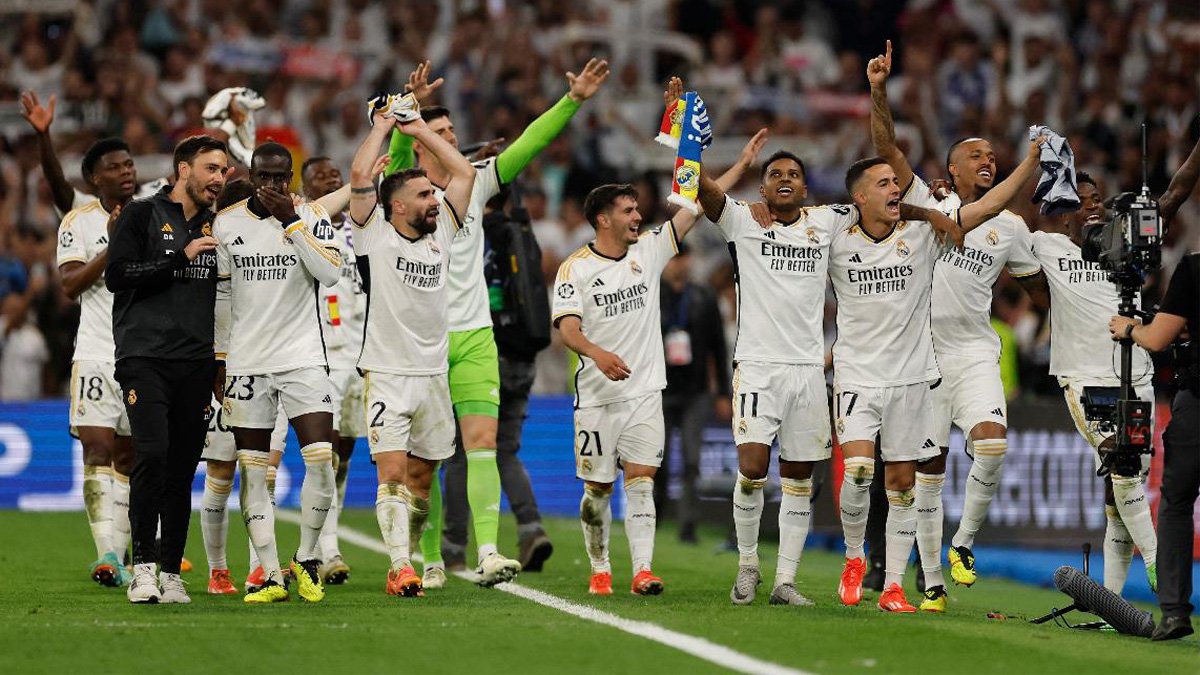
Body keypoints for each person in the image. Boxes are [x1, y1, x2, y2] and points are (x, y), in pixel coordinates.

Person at [387, 58, 610, 587]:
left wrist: (572, 100)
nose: (449, 138)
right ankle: (434, 558)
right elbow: (396, 158)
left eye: (451, 131)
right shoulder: (407, 196)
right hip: (421, 343)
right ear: (420, 142)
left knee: (482, 443)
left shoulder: (478, 184)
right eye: (438, 132)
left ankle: (487, 551)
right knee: (427, 461)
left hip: (475, 337)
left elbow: (529, 144)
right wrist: (406, 113)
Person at [833, 95, 1045, 612]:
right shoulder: (930, 202)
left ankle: (963, 543)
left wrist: (1070, 289)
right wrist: (879, 92)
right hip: (922, 357)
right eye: (976, 155)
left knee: (992, 447)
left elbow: (1038, 286)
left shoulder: (1011, 228)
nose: (986, 160)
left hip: (974, 351)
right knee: (926, 475)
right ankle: (930, 583)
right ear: (950, 168)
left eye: (992, 155)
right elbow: (885, 146)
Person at [697, 136, 860, 606]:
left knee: (798, 479)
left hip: (808, 370)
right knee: (751, 468)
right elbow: (698, 189)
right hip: (758, 367)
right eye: (775, 175)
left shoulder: (826, 222)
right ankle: (748, 565)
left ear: (805, 189)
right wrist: (686, 143)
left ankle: (785, 581)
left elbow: (878, 203)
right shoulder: (743, 219)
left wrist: (928, 199)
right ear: (762, 190)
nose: (784, 180)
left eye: (793, 175)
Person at [1031, 153, 1200, 596]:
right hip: (1084, 377)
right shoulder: (1045, 246)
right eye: (1081, 201)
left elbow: (1175, 192)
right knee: (1121, 459)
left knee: (1120, 492)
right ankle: (1162, 570)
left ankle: (1111, 601)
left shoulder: (1124, 247)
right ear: (1062, 212)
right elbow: (991, 226)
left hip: (1137, 376)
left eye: (1098, 200)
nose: (1092, 207)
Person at [348, 104, 477, 598]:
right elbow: (361, 173)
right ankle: (400, 565)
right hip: (386, 371)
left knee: (423, 478)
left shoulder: (442, 227)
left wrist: (419, 127)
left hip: (433, 373)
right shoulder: (372, 233)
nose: (433, 199)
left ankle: (416, 553)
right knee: (393, 471)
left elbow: (463, 171)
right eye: (423, 194)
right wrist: (383, 124)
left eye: (433, 193)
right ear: (397, 205)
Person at [211, 142, 346, 604]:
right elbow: (223, 298)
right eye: (264, 177)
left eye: (280, 177)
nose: (272, 186)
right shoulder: (227, 224)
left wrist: (291, 221)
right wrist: (219, 359)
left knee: (322, 462)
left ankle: (306, 559)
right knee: (253, 475)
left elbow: (330, 275)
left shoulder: (310, 216)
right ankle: (270, 575)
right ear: (251, 174)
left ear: (290, 177)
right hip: (248, 362)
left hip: (303, 357)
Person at [552, 183, 701, 596]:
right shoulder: (575, 268)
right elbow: (567, 328)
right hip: (598, 398)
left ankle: (642, 571)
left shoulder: (649, 251)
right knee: (597, 490)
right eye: (628, 211)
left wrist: (732, 166)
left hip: (645, 391)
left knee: (641, 480)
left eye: (637, 209)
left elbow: (695, 209)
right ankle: (600, 566)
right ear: (604, 219)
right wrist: (597, 353)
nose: (638, 217)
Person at [106, 135, 230, 604]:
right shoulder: (142, 214)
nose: (218, 178)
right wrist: (180, 257)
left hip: (196, 361)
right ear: (183, 169)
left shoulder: (220, 224)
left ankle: (172, 573)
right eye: (210, 169)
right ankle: (142, 568)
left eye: (223, 171)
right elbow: (117, 276)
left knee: (181, 469)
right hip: (144, 357)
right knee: (153, 454)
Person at [54, 138, 140, 588]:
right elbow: (69, 284)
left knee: (129, 457)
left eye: (129, 164)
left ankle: (120, 548)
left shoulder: (155, 213)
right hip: (94, 353)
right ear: (95, 179)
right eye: (115, 166)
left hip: (141, 355)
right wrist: (112, 246)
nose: (126, 171)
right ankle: (106, 553)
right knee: (97, 451)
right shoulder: (79, 222)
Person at [1108, 252, 1199, 641]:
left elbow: (1159, 337)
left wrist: (1129, 330)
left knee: (1177, 503)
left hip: (1198, 400)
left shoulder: (1195, 267)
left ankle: (1175, 612)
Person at [658, 242, 731, 544]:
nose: (679, 264)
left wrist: (723, 392)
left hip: (696, 391)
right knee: (657, 459)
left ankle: (687, 525)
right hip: (659, 388)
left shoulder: (702, 296)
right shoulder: (652, 294)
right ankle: (654, 516)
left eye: (683, 257)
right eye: (674, 258)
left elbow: (718, 346)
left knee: (691, 460)